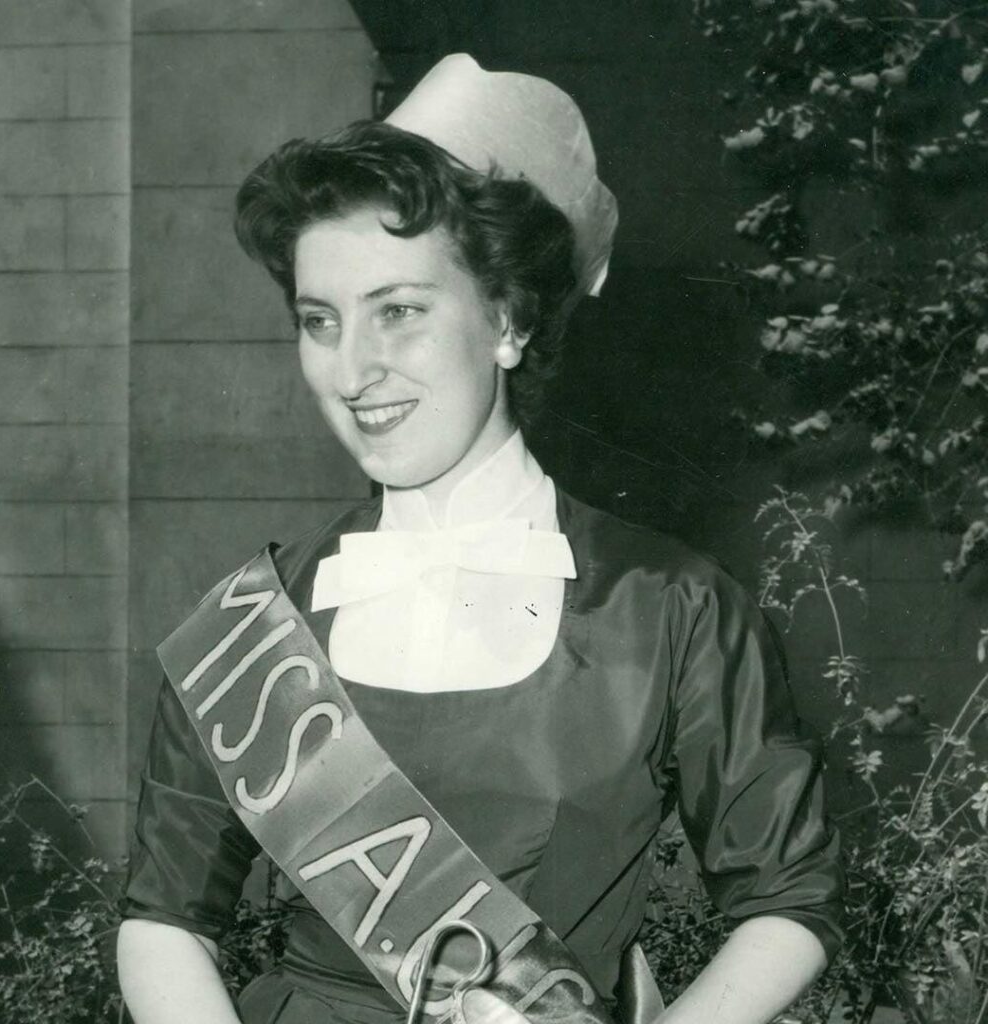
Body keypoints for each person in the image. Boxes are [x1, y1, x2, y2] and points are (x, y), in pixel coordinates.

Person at [116, 54, 843, 1024]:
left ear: (505, 318)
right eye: (319, 320)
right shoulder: (253, 626)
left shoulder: (671, 608)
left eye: (399, 311)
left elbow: (787, 900)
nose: (352, 370)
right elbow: (164, 917)